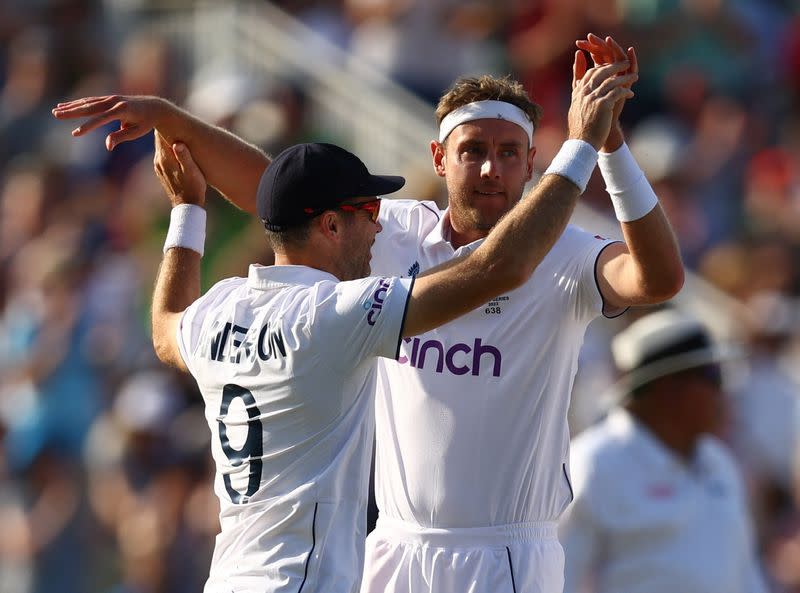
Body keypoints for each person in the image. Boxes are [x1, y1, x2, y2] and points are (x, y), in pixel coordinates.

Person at [54, 34, 683, 592]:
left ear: (531, 163)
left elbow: (659, 278)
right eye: (473, 150)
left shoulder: (565, 251)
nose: (491, 168)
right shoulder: (390, 231)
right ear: (440, 159)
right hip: (391, 548)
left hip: (506, 553)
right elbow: (278, 193)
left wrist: (610, 149)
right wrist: (177, 122)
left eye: (510, 152)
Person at [560, 308, 768, 593]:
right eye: (713, 375)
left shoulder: (719, 464)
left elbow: (746, 576)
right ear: (668, 388)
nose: (724, 391)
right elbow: (559, 580)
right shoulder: (593, 466)